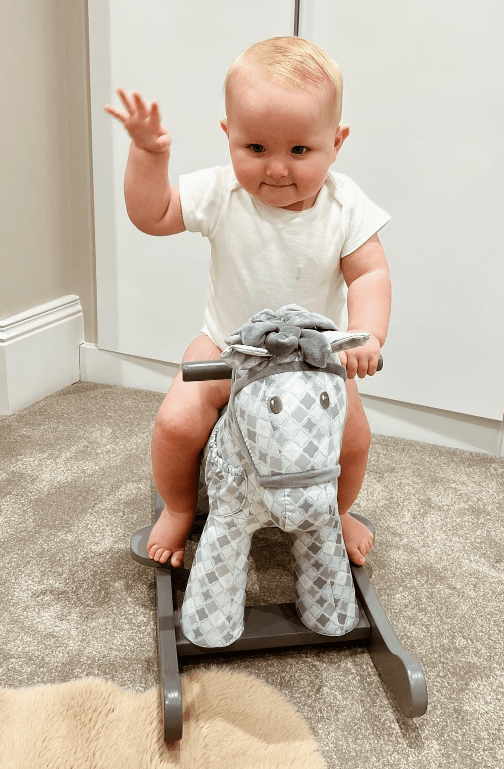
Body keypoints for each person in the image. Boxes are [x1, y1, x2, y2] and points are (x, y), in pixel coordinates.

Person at [104, 36, 391, 569]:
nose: (277, 169)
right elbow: (153, 214)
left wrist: (367, 335)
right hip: (226, 346)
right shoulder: (222, 193)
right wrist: (150, 153)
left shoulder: (345, 204)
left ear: (337, 141)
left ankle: (339, 510)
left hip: (314, 358)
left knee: (353, 438)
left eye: (300, 150)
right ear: (229, 136)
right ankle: (178, 508)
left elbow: (370, 273)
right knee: (176, 422)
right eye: (255, 149)